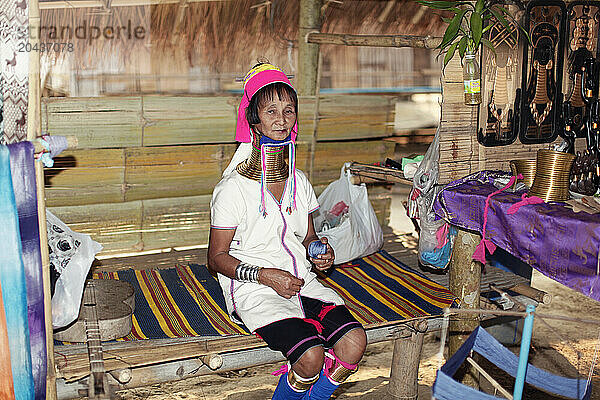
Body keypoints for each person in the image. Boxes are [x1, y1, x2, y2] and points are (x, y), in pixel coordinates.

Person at [208, 63, 366, 400]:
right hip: (255, 290)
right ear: (254, 119)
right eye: (271, 111)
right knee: (311, 357)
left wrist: (318, 252)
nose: (281, 119)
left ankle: (313, 396)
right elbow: (216, 258)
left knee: (354, 343)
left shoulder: (299, 181)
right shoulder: (232, 189)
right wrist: (265, 276)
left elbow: (308, 237)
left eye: (288, 110)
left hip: (301, 281)